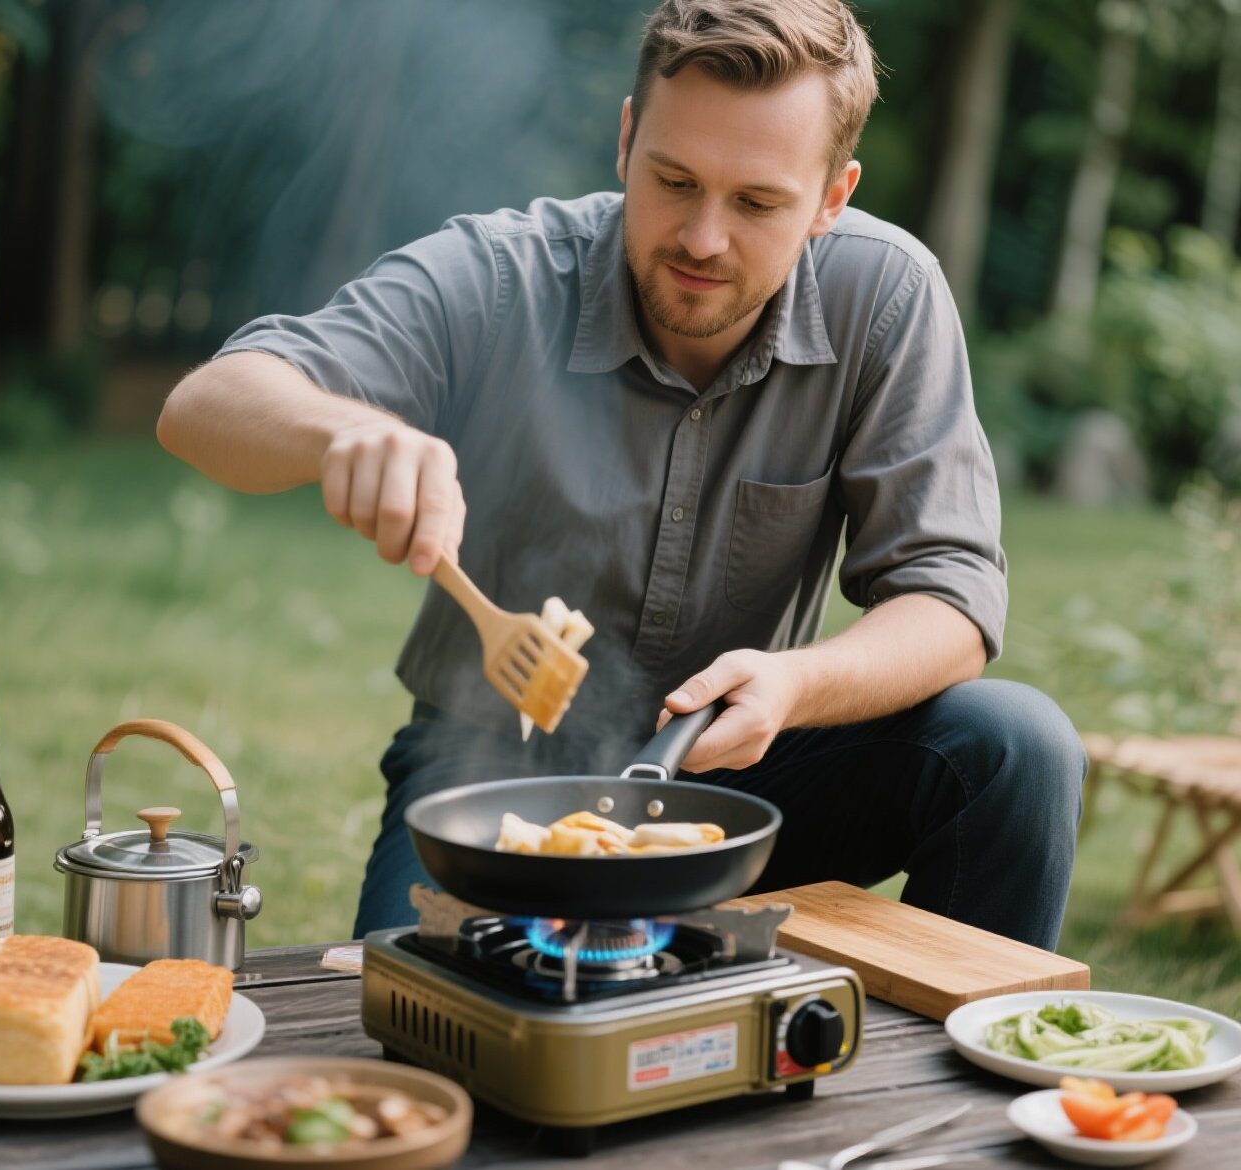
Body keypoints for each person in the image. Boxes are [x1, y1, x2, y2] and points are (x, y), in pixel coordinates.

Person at [158, 0, 1086, 950]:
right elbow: (206, 406)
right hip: (488, 778)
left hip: (747, 770)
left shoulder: (886, 297)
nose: (701, 239)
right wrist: (341, 429)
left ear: (831, 197)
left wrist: (793, 687)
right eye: (674, 180)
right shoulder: (503, 274)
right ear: (627, 138)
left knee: (1011, 747)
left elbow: (952, 602)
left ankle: (954, 1082)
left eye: (758, 203)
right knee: (428, 1031)